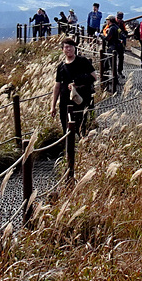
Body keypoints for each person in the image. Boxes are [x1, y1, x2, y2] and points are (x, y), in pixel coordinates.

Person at [50, 38, 94, 183]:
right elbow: (57, 86)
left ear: (75, 48)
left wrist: (77, 82)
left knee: (81, 126)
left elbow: (94, 77)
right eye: (66, 47)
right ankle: (68, 156)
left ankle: (83, 154)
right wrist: (52, 106)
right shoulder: (61, 67)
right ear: (62, 50)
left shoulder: (83, 61)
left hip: (80, 101)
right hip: (64, 102)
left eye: (70, 47)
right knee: (66, 128)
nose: (68, 49)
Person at [103, 11, 127, 82]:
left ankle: (119, 72)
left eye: (121, 18)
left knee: (120, 57)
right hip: (114, 43)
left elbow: (124, 31)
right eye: (118, 18)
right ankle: (108, 71)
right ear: (116, 17)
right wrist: (106, 35)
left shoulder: (122, 23)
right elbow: (105, 30)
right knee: (110, 57)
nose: (119, 19)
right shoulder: (112, 24)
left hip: (118, 43)